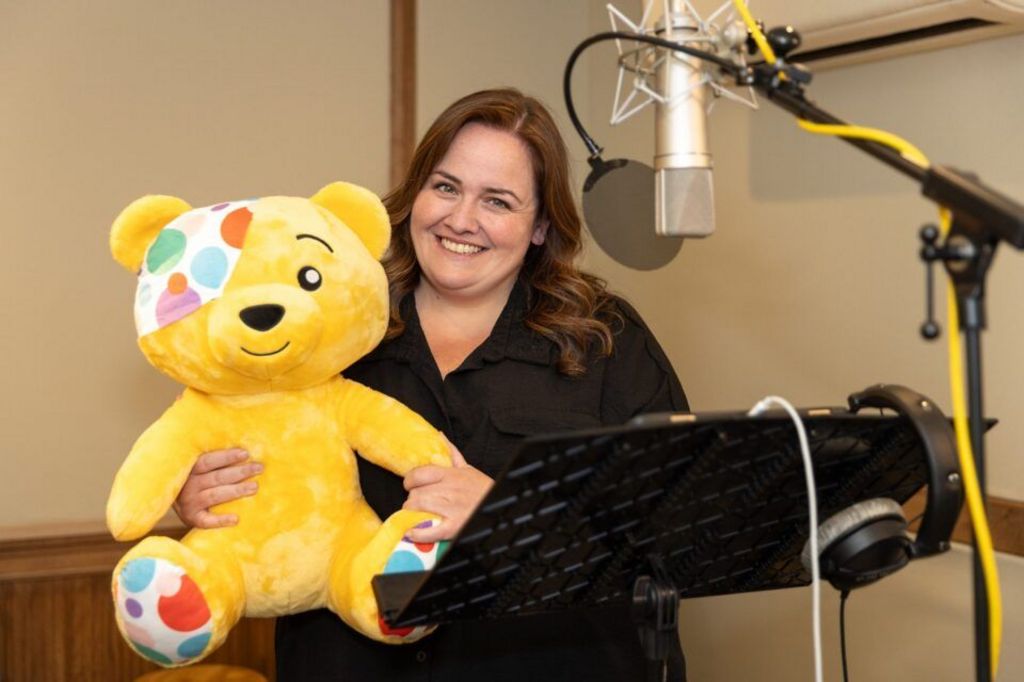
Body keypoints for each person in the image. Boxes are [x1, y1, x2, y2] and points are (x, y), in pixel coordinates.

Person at [174, 88, 688, 681]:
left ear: (542, 226)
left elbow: (674, 535)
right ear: (415, 193)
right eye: (446, 187)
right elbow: (264, 484)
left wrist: (509, 517)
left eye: (497, 201)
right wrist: (208, 499)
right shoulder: (327, 331)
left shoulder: (604, 339)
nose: (461, 220)